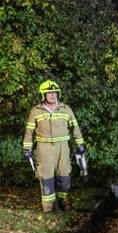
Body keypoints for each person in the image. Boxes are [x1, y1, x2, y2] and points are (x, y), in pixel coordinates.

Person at [23, 80, 85, 212]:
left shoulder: (66, 109)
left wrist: (80, 144)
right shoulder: (36, 111)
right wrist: (27, 148)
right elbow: (29, 131)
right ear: (43, 95)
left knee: (64, 174)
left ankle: (64, 201)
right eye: (49, 93)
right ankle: (49, 206)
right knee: (46, 176)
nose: (52, 95)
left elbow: (75, 128)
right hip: (44, 148)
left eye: (55, 92)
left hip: (63, 147)